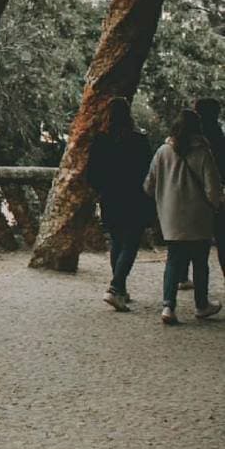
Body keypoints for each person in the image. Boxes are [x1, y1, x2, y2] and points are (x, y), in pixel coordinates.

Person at [144, 109, 222, 325]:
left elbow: (149, 185)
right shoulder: (204, 153)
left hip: (171, 217)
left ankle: (168, 306)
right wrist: (214, 206)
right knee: (200, 262)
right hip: (199, 217)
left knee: (173, 261)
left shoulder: (162, 152)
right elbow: (213, 189)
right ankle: (201, 304)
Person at [86, 97, 153, 312]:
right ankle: (115, 287)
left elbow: (92, 174)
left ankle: (121, 290)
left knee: (116, 241)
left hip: (110, 197)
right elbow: (148, 171)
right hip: (134, 197)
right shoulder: (139, 140)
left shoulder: (100, 140)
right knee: (131, 242)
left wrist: (102, 190)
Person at [176, 98, 225, 290]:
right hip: (216, 197)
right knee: (221, 239)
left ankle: (181, 276)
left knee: (188, 239)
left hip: (188, 196)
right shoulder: (219, 138)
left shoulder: (185, 141)